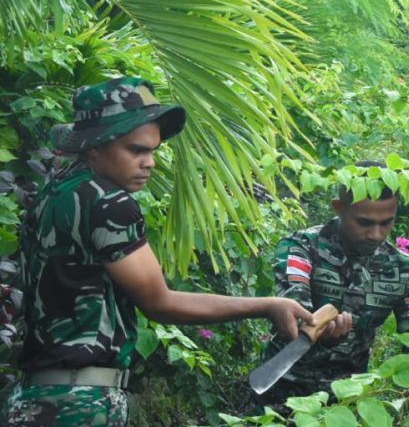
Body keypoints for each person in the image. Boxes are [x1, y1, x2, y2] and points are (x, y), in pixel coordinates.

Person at [3, 77, 315, 426]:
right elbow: (160, 303)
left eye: (152, 151)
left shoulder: (57, 192)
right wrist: (268, 305)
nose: (149, 162)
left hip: (35, 397)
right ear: (94, 147)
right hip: (78, 404)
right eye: (137, 150)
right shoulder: (108, 204)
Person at [260, 163, 409, 404]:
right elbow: (292, 313)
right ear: (339, 209)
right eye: (365, 223)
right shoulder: (302, 247)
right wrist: (318, 329)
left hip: (348, 400)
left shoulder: (402, 268)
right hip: (282, 391)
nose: (377, 235)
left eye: (386, 222)